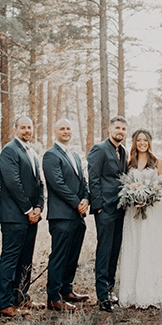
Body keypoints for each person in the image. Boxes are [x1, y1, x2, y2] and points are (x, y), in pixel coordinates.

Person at [117, 129, 162, 308]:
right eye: (139, 140)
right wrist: (134, 196)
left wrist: (151, 195)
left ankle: (155, 292)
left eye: (145, 140)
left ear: (150, 142)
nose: (142, 143)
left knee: (152, 247)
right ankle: (133, 293)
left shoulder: (158, 162)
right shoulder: (129, 163)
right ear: (135, 142)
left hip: (152, 212)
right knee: (135, 247)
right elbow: (125, 185)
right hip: (133, 212)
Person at [0, 116, 45, 317]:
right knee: (10, 259)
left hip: (31, 217)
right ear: (15, 129)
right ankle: (4, 304)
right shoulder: (9, 151)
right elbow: (13, 182)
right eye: (23, 127)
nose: (27, 130)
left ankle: (21, 297)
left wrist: (39, 207)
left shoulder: (32, 152)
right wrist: (28, 209)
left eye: (29, 127)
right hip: (14, 216)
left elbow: (39, 183)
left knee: (26, 259)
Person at [42, 118, 89, 311]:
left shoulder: (75, 154)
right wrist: (76, 202)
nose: (66, 131)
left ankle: (66, 289)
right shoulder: (51, 155)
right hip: (61, 216)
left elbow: (82, 180)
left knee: (72, 255)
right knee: (59, 256)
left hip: (77, 215)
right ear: (55, 131)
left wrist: (86, 198)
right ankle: (53, 297)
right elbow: (57, 184)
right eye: (62, 128)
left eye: (69, 128)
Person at [87, 116, 129, 312]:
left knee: (115, 250)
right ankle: (102, 296)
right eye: (117, 128)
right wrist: (99, 206)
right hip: (105, 208)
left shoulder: (123, 151)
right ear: (109, 129)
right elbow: (93, 178)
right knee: (104, 251)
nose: (120, 131)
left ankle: (110, 290)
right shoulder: (99, 149)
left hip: (120, 208)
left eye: (123, 128)